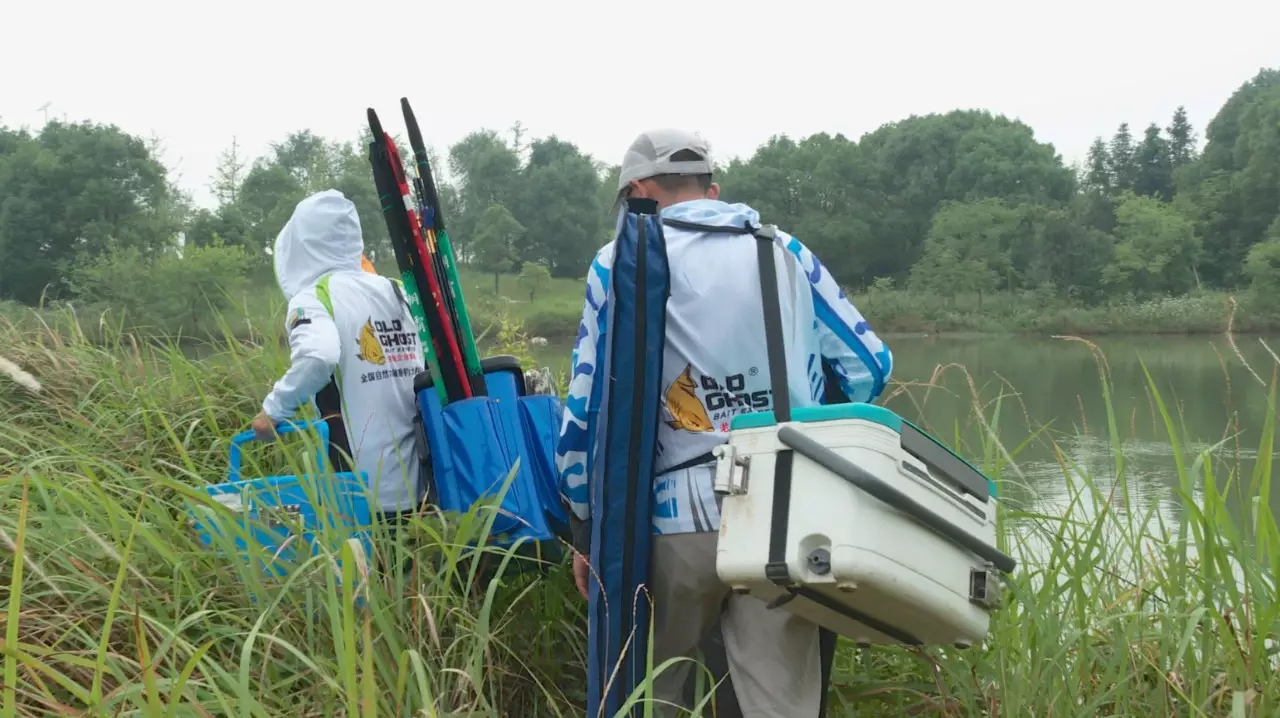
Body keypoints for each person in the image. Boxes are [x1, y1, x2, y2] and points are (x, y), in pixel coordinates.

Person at [555, 129, 893, 717]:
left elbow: (586, 407)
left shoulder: (619, 262)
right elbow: (869, 366)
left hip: (670, 520)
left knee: (652, 693)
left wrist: (583, 522)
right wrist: (804, 406)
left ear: (637, 192)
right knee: (777, 702)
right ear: (712, 189)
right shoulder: (784, 251)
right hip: (782, 513)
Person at [252, 189, 426, 533]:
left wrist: (273, 411)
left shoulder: (314, 297)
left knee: (373, 577)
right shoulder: (395, 290)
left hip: (363, 486)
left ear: (300, 245)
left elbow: (318, 356)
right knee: (419, 577)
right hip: (425, 478)